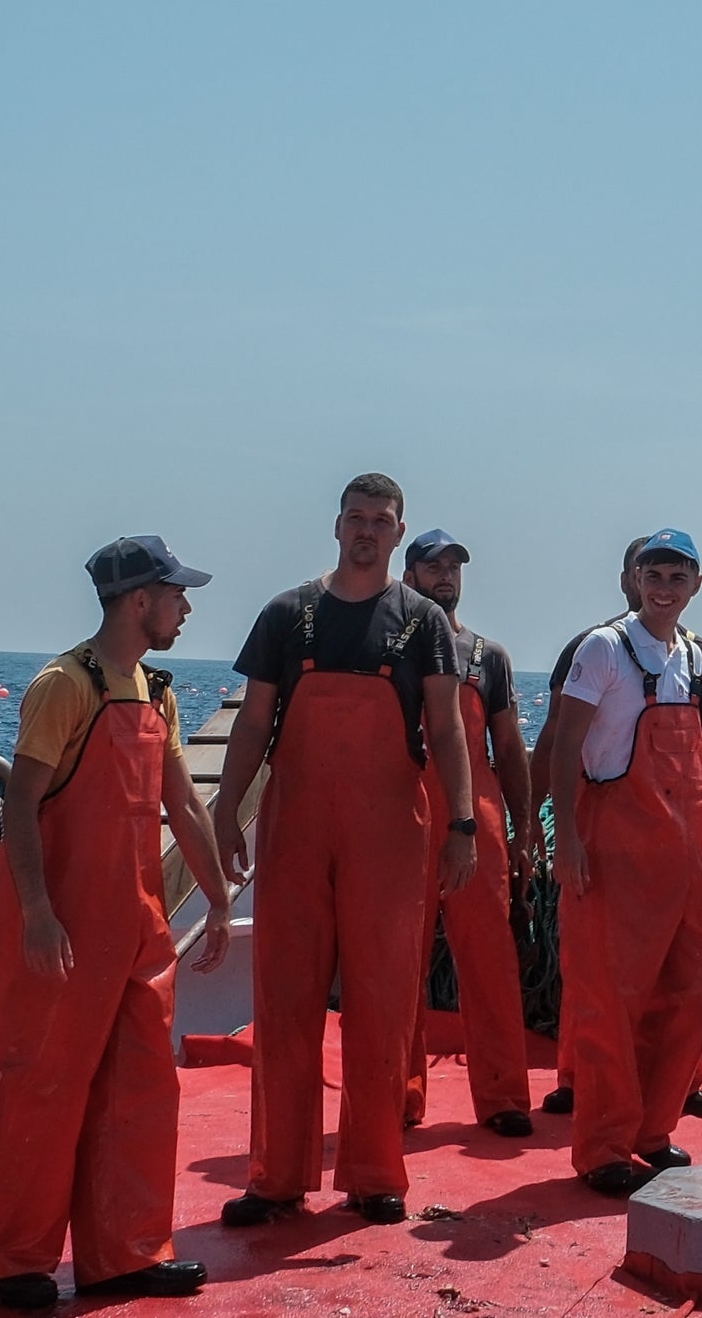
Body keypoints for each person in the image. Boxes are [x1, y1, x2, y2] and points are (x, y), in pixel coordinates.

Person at [211, 474, 478, 1227]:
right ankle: (275, 1174)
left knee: (382, 1002)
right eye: (356, 517)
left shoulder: (422, 620)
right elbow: (253, 720)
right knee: (285, 999)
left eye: (381, 520)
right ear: (336, 526)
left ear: (398, 534)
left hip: (390, 835)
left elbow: (448, 728)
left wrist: (462, 823)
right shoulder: (285, 614)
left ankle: (373, 1172)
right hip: (295, 828)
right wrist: (227, 809)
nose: (366, 530)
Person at [0, 537, 235, 1308]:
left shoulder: (155, 690)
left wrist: (219, 898)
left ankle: (125, 1253)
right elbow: (19, 803)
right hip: (61, 926)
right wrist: (39, 914)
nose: (186, 608)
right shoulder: (64, 685)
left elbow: (183, 802)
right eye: (176, 594)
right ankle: (14, 1262)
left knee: (140, 1089)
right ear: (138, 600)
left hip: (135, 922)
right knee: (46, 1089)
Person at [545, 530, 702, 1196]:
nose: (664, 586)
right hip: (616, 851)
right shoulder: (604, 648)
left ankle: (652, 1131)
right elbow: (563, 745)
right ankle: (602, 1147)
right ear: (633, 577)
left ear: (695, 584)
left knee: (689, 991)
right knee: (610, 1002)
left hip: (688, 857)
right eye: (653, 573)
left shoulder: (697, 657)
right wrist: (563, 839)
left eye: (677, 575)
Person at [397, 529, 537, 1137]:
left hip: (478, 827)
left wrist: (527, 827)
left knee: (491, 963)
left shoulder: (489, 657)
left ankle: (504, 1097)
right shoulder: (391, 647)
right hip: (401, 823)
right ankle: (397, 1096)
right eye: (433, 566)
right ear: (411, 574)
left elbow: (507, 748)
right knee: (397, 965)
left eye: (454, 566)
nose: (446, 575)